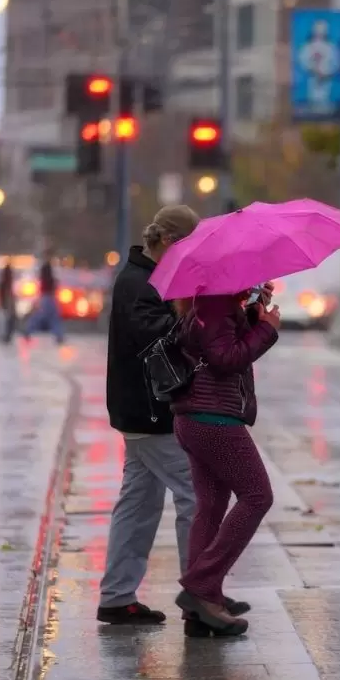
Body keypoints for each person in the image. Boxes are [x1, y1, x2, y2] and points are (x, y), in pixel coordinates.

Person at [100, 205, 254, 628]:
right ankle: (202, 595)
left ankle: (118, 596)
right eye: (190, 247)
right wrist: (195, 313)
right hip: (152, 412)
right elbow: (160, 338)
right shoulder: (138, 282)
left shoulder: (153, 280)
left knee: (139, 504)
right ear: (168, 242)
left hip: (144, 411)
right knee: (196, 496)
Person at [171, 286, 282, 636]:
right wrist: (267, 329)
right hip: (214, 419)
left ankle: (203, 608)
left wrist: (252, 314)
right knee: (258, 496)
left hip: (196, 417)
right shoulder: (217, 303)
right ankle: (201, 585)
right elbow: (225, 359)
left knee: (213, 504)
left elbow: (223, 346)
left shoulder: (211, 300)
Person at [22, 251, 65, 344]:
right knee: (53, 319)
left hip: (45, 298)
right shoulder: (50, 278)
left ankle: (28, 332)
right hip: (50, 298)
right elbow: (54, 286)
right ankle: (59, 336)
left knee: (39, 317)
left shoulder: (44, 277)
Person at [0, 261, 16, 342]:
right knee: (8, 321)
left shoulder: (3, 282)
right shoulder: (7, 282)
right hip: (7, 304)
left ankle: (5, 335)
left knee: (5, 321)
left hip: (5, 304)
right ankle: (6, 336)